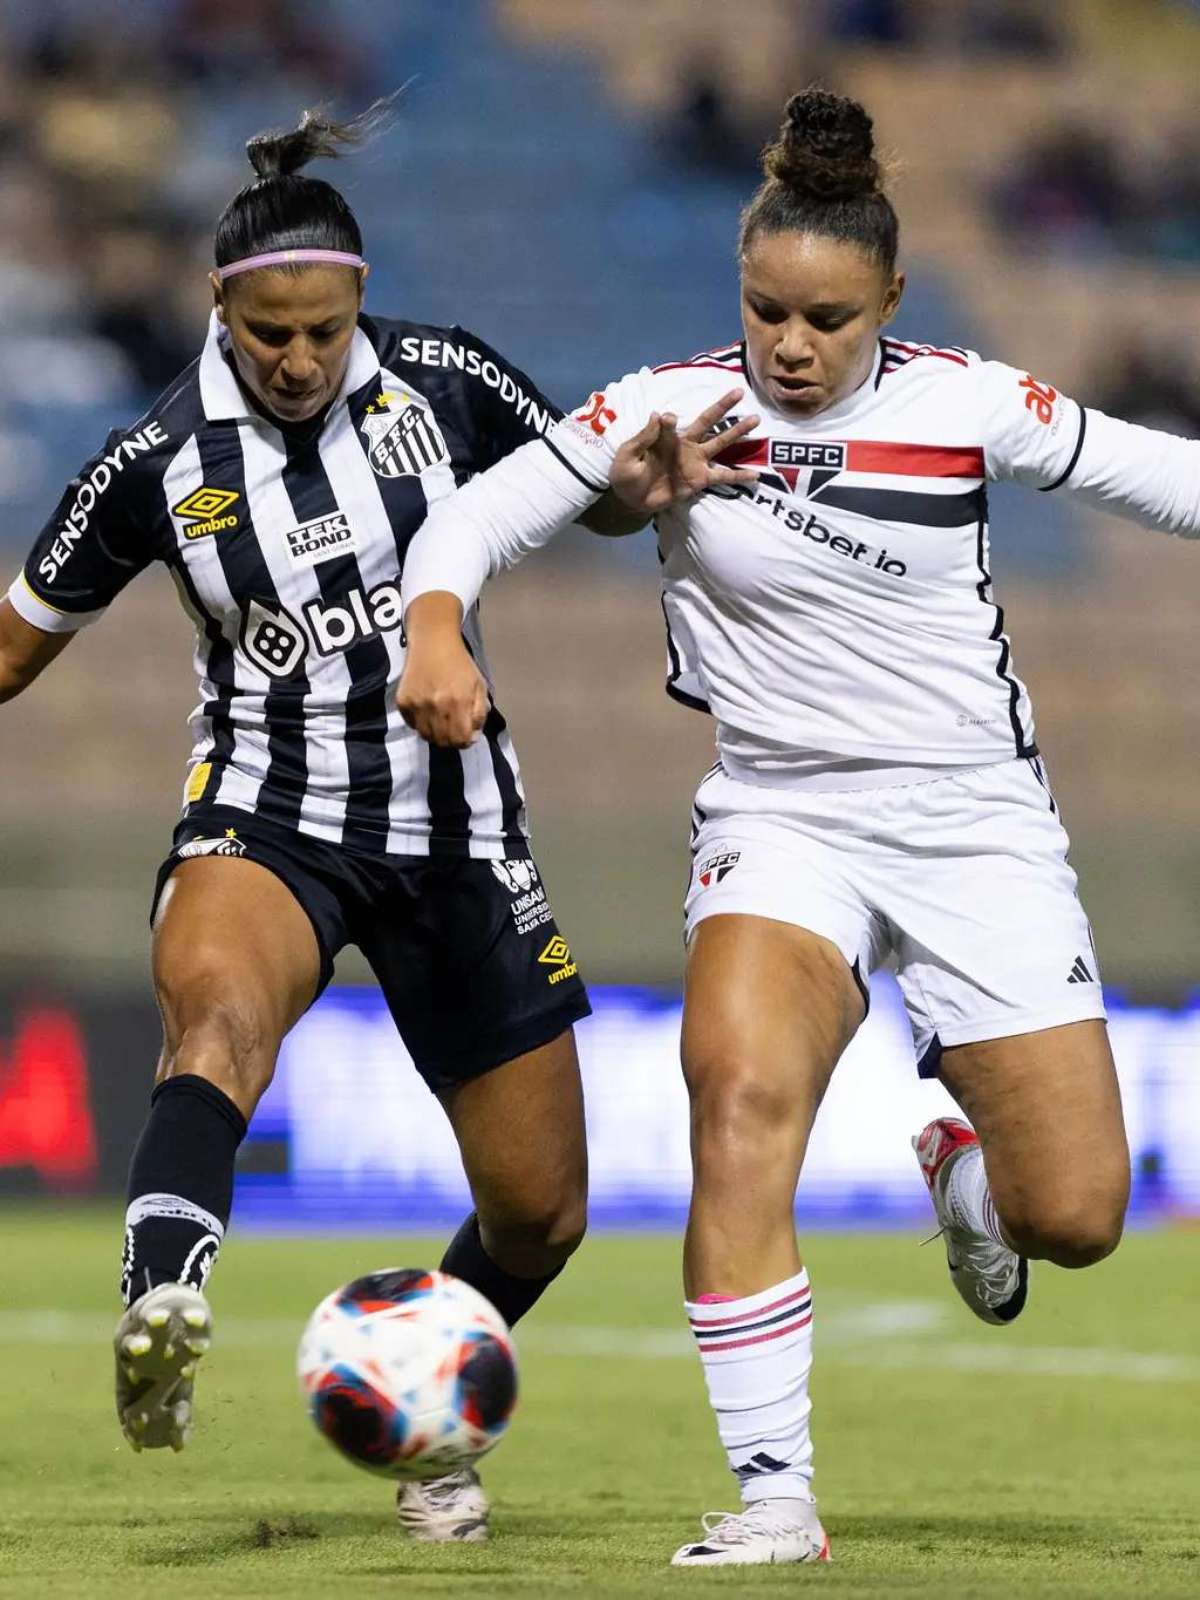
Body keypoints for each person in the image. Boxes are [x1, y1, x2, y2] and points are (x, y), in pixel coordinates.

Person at [395, 86, 1200, 1568]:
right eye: (767, 309)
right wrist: (436, 626)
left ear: (890, 298)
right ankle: (776, 1497)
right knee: (739, 1102)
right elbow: (473, 518)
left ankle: (962, 1171)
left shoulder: (970, 402)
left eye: (827, 318)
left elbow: (1166, 475)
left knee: (1077, 1216)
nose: (792, 345)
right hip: (781, 815)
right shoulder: (673, 408)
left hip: (973, 823)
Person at [0, 100, 753, 1542]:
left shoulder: (448, 378)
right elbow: (13, 650)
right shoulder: (151, 462)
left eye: (322, 333)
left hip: (460, 825)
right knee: (216, 1025)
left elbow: (569, 490)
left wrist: (639, 490)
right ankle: (167, 1284)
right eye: (268, 333)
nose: (296, 360)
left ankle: (420, 1407)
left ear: (359, 303)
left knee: (542, 1215)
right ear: (222, 310)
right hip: (266, 815)